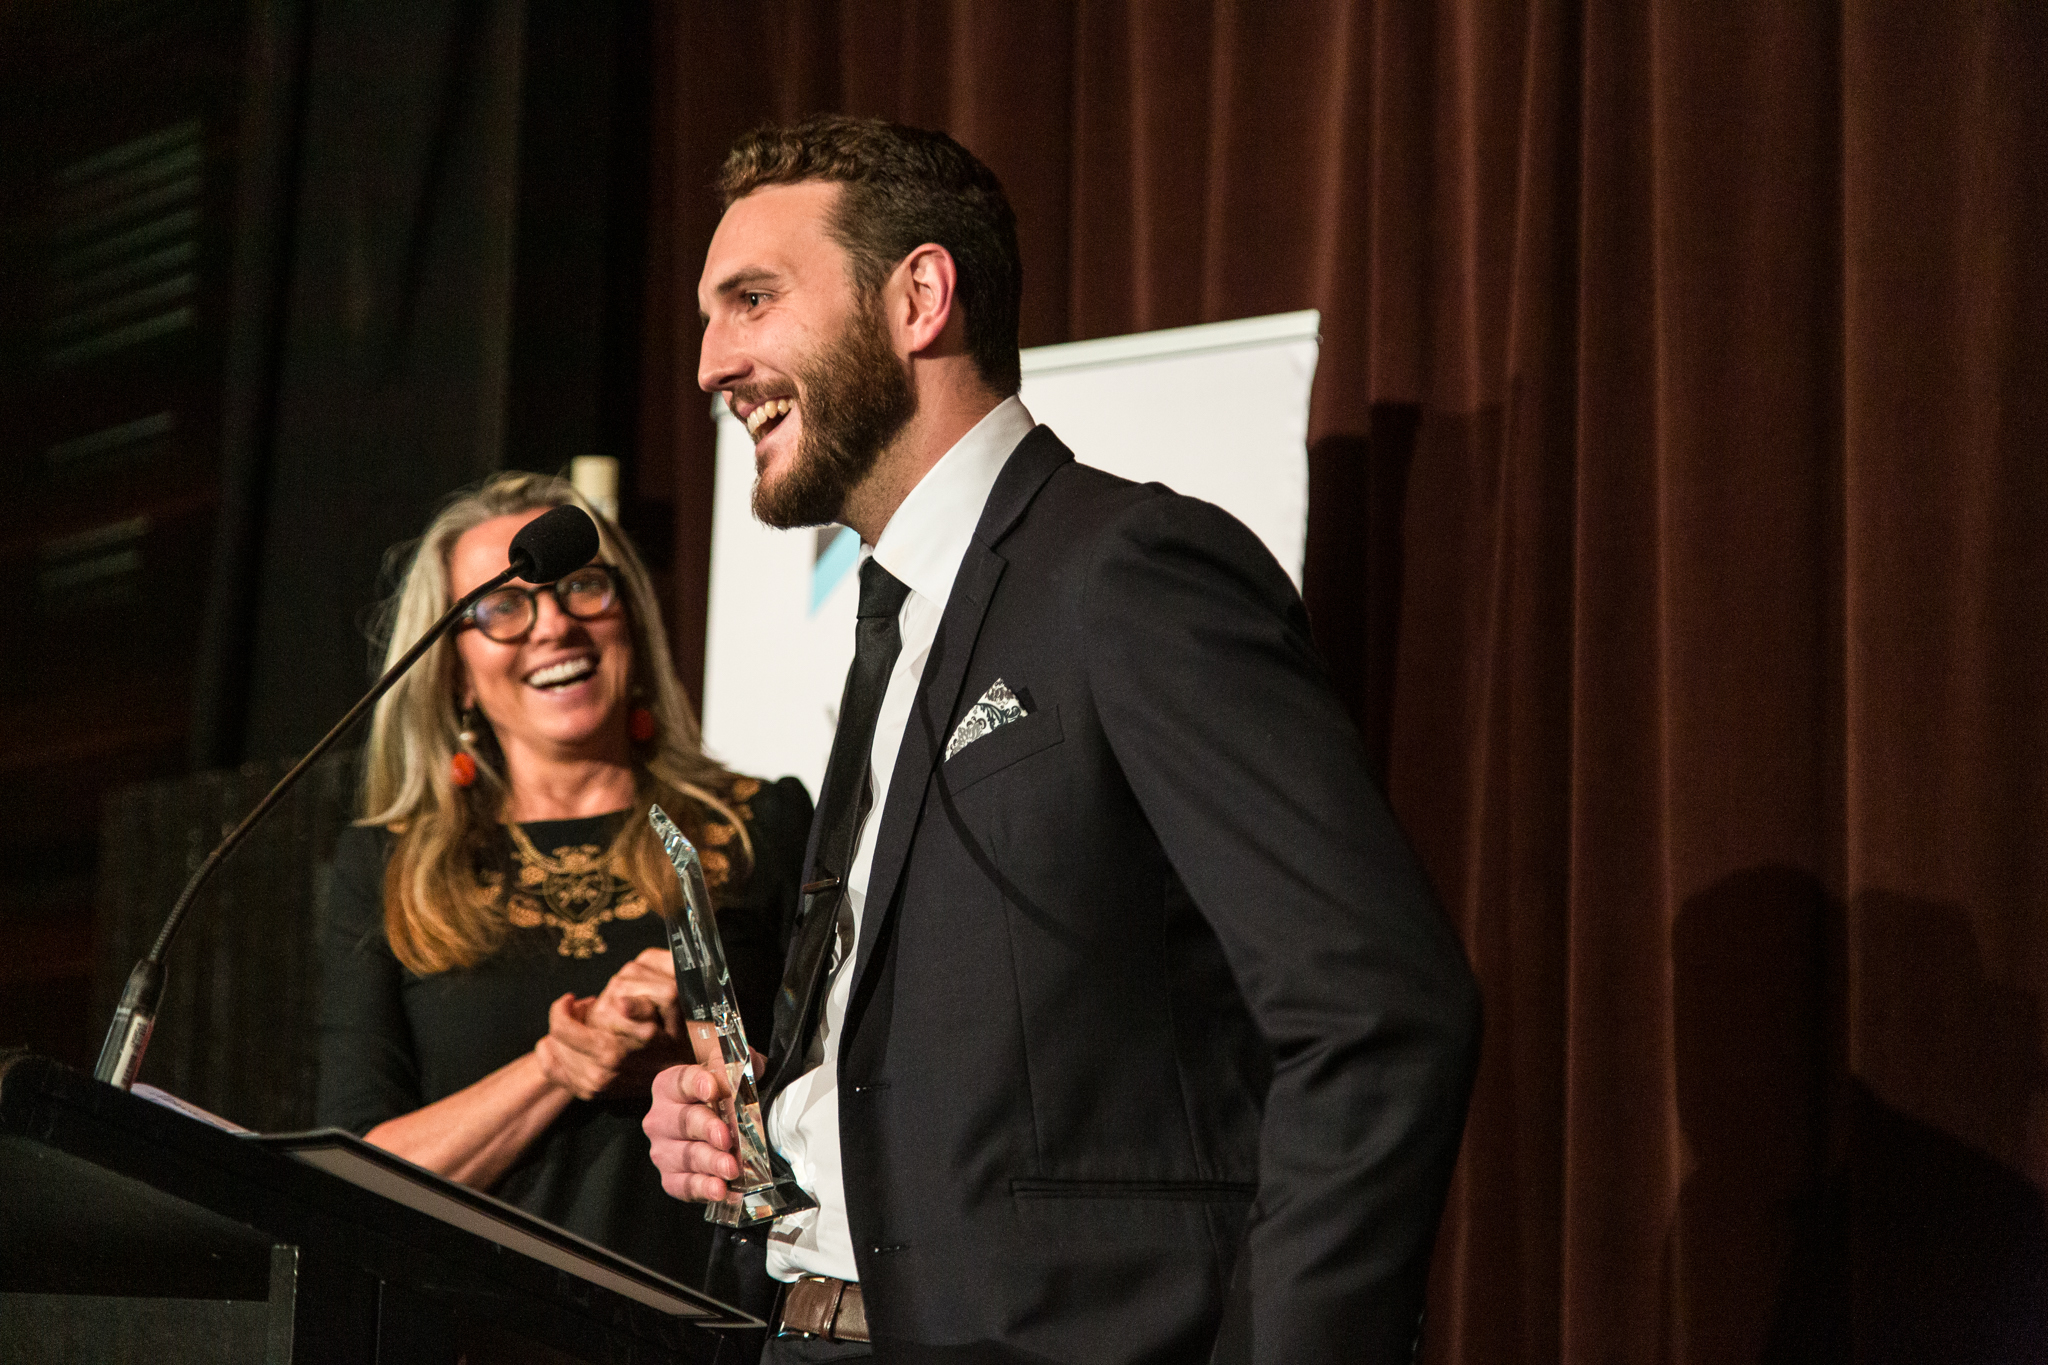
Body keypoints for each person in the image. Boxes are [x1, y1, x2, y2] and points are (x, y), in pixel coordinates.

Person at [645, 117, 1482, 1363]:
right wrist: (774, 1125)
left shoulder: (1125, 573)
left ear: (919, 298)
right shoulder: (892, 618)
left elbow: (1377, 1012)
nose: (713, 363)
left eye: (752, 301)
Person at [317, 471, 810, 1287]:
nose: (553, 625)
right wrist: (557, 1065)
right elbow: (354, 1174)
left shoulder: (764, 825)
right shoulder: (391, 866)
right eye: (502, 606)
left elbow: (847, 1100)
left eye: (583, 587)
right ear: (456, 670)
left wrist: (698, 1045)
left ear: (631, 620)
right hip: (478, 1327)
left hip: (723, 1317)